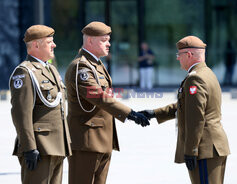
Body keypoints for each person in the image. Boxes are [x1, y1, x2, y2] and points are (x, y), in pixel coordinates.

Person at [64, 21, 150, 184]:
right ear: (90, 41)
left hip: (101, 141)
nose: (109, 44)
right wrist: (130, 113)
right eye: (104, 40)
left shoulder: (95, 64)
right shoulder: (81, 67)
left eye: (108, 39)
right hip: (86, 142)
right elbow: (99, 97)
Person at [140, 36, 230, 184]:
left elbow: (196, 118)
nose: (177, 59)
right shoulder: (207, 73)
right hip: (214, 146)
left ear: (188, 55)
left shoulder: (195, 79)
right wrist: (154, 113)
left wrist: (191, 150)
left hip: (204, 149)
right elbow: (187, 105)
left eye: (179, 55)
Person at [9, 25, 72, 184]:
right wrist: (29, 147)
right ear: (36, 45)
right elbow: (21, 114)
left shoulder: (51, 69)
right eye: (50, 41)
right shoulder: (24, 72)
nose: (54, 45)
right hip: (39, 148)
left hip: (57, 146)